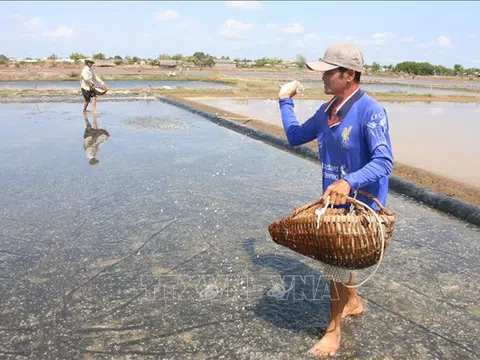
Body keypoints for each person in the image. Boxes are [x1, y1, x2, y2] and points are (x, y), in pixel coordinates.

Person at [278, 44, 394, 357]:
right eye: (324, 71)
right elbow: (295, 136)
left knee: (334, 264)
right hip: (335, 203)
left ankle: (333, 332)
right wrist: (284, 101)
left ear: (350, 75)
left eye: (330, 72)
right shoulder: (328, 111)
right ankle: (353, 302)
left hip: (361, 204)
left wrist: (348, 180)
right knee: (341, 258)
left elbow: (384, 162)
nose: (324, 78)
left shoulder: (370, 111)